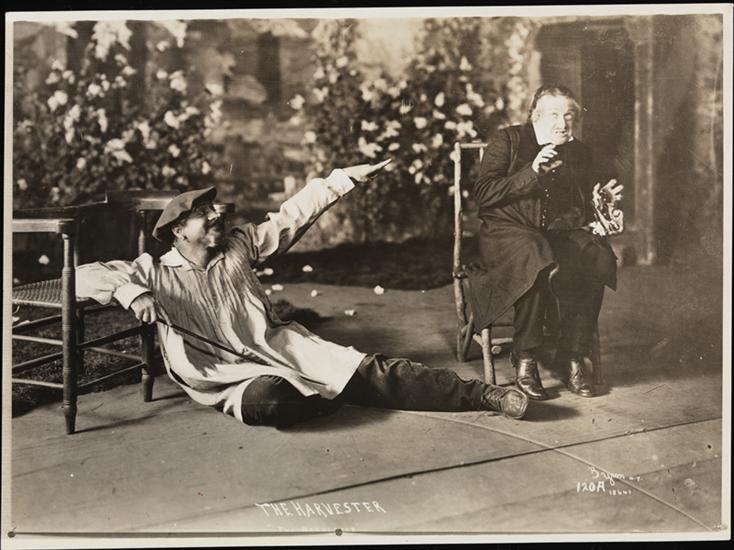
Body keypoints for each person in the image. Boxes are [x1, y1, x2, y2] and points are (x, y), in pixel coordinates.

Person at [76, 160, 529, 428]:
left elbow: (291, 217)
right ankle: (337, 390)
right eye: (203, 213)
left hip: (281, 348)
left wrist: (341, 180)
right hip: (227, 377)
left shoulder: (240, 245)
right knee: (273, 401)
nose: (216, 215)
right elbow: (81, 277)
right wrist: (133, 293)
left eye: (213, 209)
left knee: (371, 370)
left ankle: (482, 395)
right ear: (179, 230)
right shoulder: (153, 271)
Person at [471, 85, 622, 400]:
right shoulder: (509, 140)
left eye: (568, 115)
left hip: (556, 232)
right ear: (535, 116)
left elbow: (581, 205)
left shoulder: (579, 152)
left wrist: (601, 205)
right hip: (507, 231)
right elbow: (483, 194)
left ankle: (572, 355)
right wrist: (531, 171)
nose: (563, 123)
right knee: (534, 253)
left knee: (595, 253)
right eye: (554, 114)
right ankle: (525, 357)